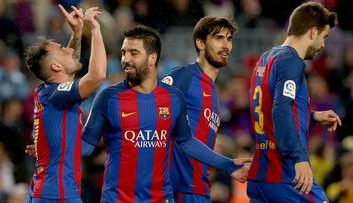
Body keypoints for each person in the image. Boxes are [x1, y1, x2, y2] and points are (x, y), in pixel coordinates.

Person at [81, 25, 250, 203]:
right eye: (124, 53)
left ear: (152, 58)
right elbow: (85, 145)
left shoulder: (174, 98)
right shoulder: (108, 97)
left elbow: (187, 142)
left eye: (133, 53)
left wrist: (228, 164)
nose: (125, 59)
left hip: (161, 198)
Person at [247, 2, 341, 203]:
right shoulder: (292, 61)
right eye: (324, 36)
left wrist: (313, 116)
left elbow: (267, 107)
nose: (323, 45)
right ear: (313, 31)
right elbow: (281, 109)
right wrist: (299, 158)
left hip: (260, 177)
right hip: (285, 174)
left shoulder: (265, 58)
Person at [24, 4, 106, 203]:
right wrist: (94, 29)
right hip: (57, 196)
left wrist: (77, 33)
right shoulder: (56, 95)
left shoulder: (49, 92)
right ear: (55, 66)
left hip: (48, 192)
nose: (69, 50)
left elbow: (69, 68)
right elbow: (97, 76)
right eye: (62, 49)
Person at [161, 16, 247, 203]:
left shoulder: (213, 93)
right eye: (218, 38)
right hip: (176, 189)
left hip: (199, 188)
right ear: (200, 43)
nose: (226, 45)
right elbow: (154, 120)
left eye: (229, 39)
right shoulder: (183, 76)